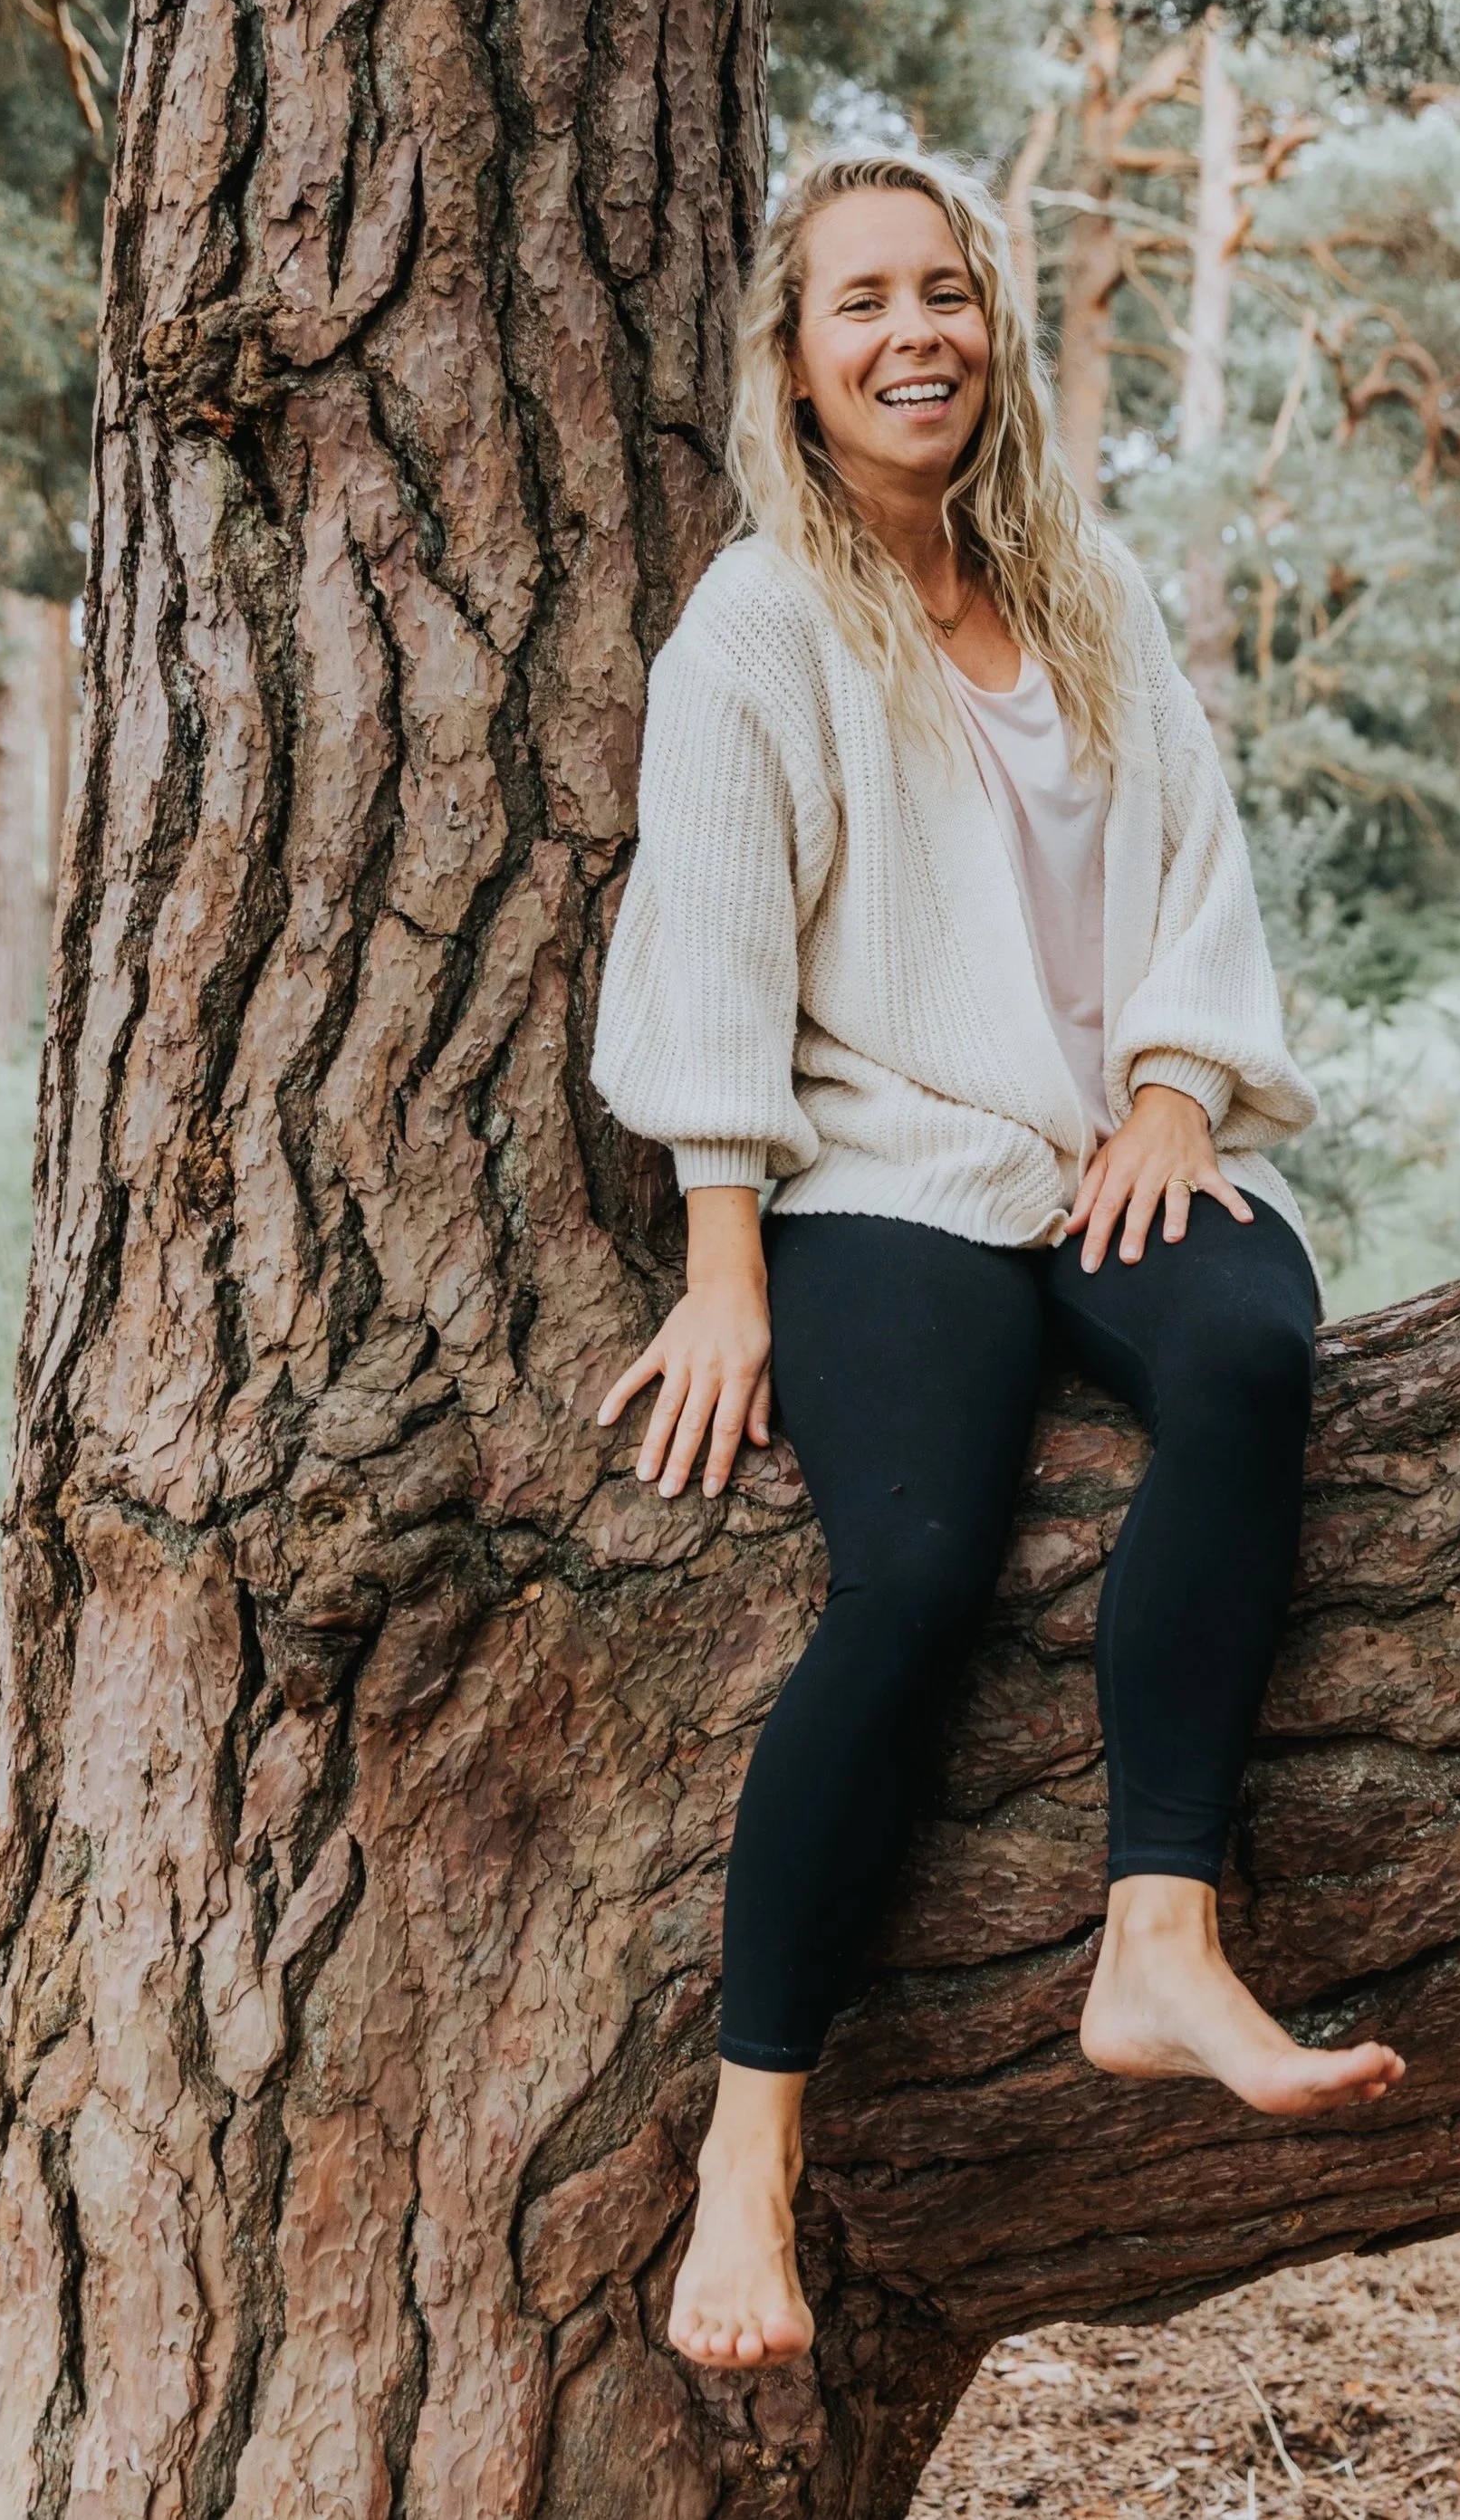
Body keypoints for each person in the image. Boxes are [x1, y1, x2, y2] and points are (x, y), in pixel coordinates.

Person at [590, 146, 1407, 2376]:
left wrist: (1172, 1088)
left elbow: (1190, 872)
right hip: (884, 1169)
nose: (912, 334)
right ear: (793, 357)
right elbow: (716, 942)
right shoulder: (758, 620)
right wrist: (727, 1260)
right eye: (860, 303)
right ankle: (746, 2150)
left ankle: (1158, 1932)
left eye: (943, 291)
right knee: (921, 1571)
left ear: (992, 328)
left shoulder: (1083, 586)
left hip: (1104, 1153)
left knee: (1246, 1344)